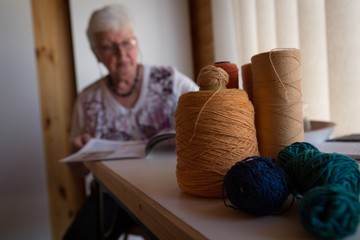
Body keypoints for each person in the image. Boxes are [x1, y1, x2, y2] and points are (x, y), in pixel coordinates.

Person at [63, 4, 198, 240]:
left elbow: (204, 110)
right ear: (96, 53)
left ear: (136, 42)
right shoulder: (88, 100)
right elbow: (76, 171)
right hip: (110, 196)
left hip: (171, 187)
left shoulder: (168, 80)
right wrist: (79, 153)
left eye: (128, 43)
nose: (122, 55)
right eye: (109, 47)